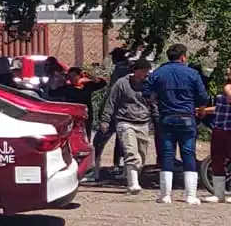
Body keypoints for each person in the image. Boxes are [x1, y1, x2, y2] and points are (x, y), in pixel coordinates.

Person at [146, 44, 210, 204]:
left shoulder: (159, 73)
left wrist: (157, 101)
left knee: (167, 154)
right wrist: (200, 109)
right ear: (183, 57)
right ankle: (190, 195)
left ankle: (165, 195)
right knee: (188, 153)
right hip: (187, 117)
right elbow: (203, 97)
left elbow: (146, 93)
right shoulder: (192, 73)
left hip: (166, 117)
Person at [99, 58, 156, 194]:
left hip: (143, 122)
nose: (146, 74)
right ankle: (133, 184)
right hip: (125, 122)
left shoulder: (149, 85)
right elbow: (111, 102)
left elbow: (153, 103)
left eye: (148, 71)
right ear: (136, 71)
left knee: (141, 155)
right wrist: (105, 120)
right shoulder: (122, 84)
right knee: (131, 152)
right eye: (144, 71)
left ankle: (130, 174)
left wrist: (156, 120)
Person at [201, 81, 231, 204]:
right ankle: (219, 194)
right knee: (217, 159)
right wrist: (202, 110)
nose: (228, 72)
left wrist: (227, 88)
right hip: (219, 128)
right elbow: (221, 107)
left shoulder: (227, 88)